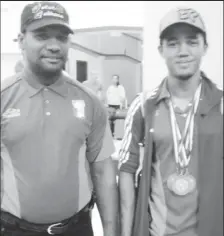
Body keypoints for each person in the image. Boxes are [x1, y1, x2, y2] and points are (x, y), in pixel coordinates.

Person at [1, 2, 118, 236]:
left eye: (62, 38)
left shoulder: (89, 101)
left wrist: (111, 231)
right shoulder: (4, 97)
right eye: (42, 36)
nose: (54, 46)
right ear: (21, 40)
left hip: (76, 229)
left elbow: (103, 171)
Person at [118, 6, 223, 236]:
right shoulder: (144, 106)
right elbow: (126, 169)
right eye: (173, 43)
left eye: (192, 42)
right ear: (161, 50)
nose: (182, 51)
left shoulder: (221, 105)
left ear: (205, 47)